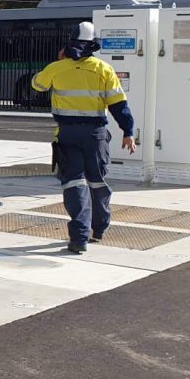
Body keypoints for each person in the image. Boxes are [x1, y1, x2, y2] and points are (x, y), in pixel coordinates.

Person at [30, 22, 136, 254]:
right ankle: (99, 229)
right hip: (95, 135)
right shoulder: (104, 69)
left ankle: (79, 238)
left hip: (67, 134)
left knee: (74, 183)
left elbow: (37, 85)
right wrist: (128, 131)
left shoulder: (57, 68)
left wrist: (59, 61)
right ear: (94, 44)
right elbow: (119, 105)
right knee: (97, 181)